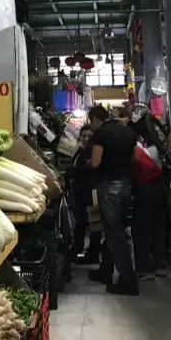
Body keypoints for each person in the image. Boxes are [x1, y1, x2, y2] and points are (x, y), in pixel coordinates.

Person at [86, 105, 139, 296]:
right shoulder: (127, 131)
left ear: (94, 120)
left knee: (116, 235)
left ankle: (128, 280)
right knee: (115, 230)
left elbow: (95, 162)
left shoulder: (101, 134)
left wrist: (87, 161)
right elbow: (136, 158)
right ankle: (105, 271)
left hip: (109, 187)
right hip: (126, 186)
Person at [130, 142, 169, 280]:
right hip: (160, 186)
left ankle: (145, 269)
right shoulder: (145, 146)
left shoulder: (131, 148)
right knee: (158, 227)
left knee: (140, 228)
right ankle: (160, 265)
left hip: (145, 189)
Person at [66, 126, 102, 264]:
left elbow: (84, 169)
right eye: (83, 135)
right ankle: (79, 249)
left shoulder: (92, 152)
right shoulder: (81, 151)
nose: (86, 138)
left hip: (89, 192)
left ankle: (89, 252)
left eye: (89, 136)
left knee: (92, 223)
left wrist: (70, 172)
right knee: (82, 222)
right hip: (80, 191)